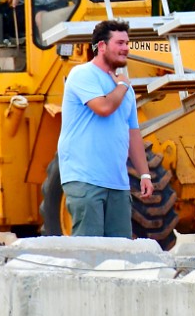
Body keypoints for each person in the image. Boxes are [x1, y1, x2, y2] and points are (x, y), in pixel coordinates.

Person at [56, 19, 154, 237]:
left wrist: (144, 174)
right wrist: (121, 86)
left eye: (127, 43)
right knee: (90, 252)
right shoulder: (82, 75)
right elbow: (104, 107)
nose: (126, 48)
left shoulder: (124, 87)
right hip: (85, 180)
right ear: (101, 46)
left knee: (120, 254)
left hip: (117, 183)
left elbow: (133, 133)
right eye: (119, 43)